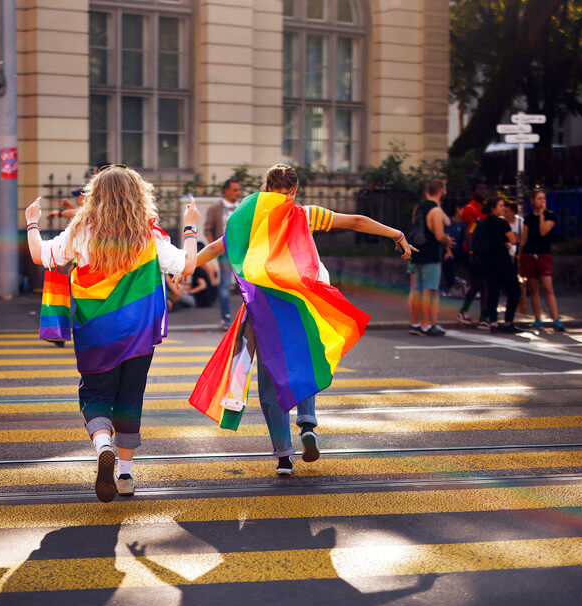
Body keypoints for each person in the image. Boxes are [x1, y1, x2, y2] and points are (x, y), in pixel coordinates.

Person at [193, 163, 415, 476]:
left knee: (270, 386)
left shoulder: (250, 222)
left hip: (262, 312)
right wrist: (396, 234)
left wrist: (183, 267)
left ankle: (284, 456)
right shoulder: (304, 214)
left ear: (266, 189)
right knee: (303, 365)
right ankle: (308, 425)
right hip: (298, 308)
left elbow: (216, 247)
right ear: (294, 191)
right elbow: (355, 220)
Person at [23, 165, 198, 502]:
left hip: (95, 333)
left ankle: (103, 444)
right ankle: (126, 475)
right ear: (138, 196)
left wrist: (33, 221)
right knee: (130, 397)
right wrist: (190, 225)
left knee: (95, 394)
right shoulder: (150, 236)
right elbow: (186, 266)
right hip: (137, 334)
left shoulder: (80, 231)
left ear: (95, 196)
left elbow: (40, 255)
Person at [408, 179, 453, 337]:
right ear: (441, 190)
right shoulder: (435, 211)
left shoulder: (419, 208)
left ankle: (415, 323)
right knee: (429, 291)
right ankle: (426, 326)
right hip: (431, 255)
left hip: (416, 253)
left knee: (417, 290)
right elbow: (440, 235)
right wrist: (448, 241)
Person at [520, 189, 564, 332]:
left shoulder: (550, 216)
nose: (542, 201)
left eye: (544, 199)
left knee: (547, 287)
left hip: (544, 254)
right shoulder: (528, 218)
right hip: (530, 254)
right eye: (539, 199)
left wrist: (541, 215)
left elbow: (543, 231)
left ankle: (556, 319)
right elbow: (524, 239)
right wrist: (520, 257)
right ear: (533, 200)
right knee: (533, 288)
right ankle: (538, 318)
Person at [204, 177, 244, 329]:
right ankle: (226, 319)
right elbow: (208, 230)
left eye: (239, 190)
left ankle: (248, 319)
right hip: (225, 251)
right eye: (235, 190)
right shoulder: (215, 208)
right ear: (226, 191)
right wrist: (213, 250)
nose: (238, 193)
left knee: (246, 285)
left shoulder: (242, 207)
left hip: (242, 251)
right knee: (226, 284)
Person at [477, 198, 521, 333]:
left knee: (493, 293)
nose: (503, 208)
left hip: (488, 262)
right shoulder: (501, 223)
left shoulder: (482, 223)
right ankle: (508, 322)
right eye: (500, 206)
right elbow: (513, 239)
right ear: (493, 208)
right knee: (514, 291)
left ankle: (493, 322)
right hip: (503, 261)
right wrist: (507, 243)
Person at [457, 182, 488, 326]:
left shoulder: (484, 208)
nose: (483, 192)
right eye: (480, 189)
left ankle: (481, 315)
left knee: (480, 284)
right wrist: (470, 251)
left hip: (482, 251)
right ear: (473, 192)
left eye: (484, 189)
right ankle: (479, 316)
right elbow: (468, 232)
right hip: (473, 252)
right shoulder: (470, 209)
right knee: (479, 283)